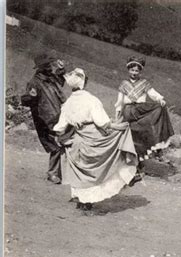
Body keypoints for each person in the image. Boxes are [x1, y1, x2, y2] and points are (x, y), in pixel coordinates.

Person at [53, 68, 138, 211]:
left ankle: (81, 199)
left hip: (78, 139)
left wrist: (60, 137)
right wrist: (118, 127)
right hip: (93, 138)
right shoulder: (92, 100)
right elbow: (102, 122)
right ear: (85, 83)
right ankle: (88, 201)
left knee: (81, 170)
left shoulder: (68, 103)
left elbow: (61, 126)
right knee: (96, 169)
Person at [115, 56, 174, 181]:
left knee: (156, 111)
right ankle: (131, 168)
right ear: (128, 70)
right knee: (130, 136)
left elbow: (152, 94)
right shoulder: (123, 84)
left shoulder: (144, 83)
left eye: (137, 71)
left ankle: (150, 155)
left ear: (140, 72)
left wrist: (160, 99)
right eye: (132, 70)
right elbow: (120, 101)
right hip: (129, 112)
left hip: (141, 111)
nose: (134, 73)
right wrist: (117, 114)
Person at [21, 53, 67, 184]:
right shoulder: (34, 83)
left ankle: (56, 173)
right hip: (45, 119)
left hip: (57, 116)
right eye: (47, 65)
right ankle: (53, 174)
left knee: (60, 144)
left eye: (49, 65)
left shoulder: (50, 77)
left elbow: (60, 81)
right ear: (40, 68)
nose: (49, 67)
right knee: (56, 145)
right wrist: (30, 96)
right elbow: (27, 100)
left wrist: (61, 70)